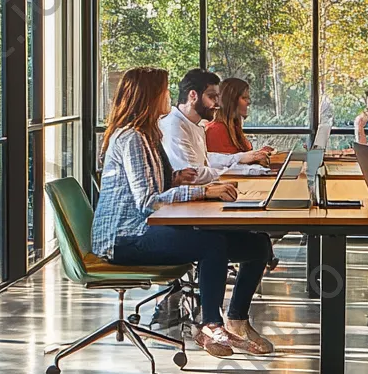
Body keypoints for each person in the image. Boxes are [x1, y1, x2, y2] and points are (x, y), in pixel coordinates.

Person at [92, 67, 275, 359]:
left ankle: (237, 320)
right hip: (126, 236)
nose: (168, 96)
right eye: (163, 91)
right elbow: (147, 201)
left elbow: (153, 185)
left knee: (257, 244)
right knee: (210, 243)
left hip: (147, 226)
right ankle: (210, 325)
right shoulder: (132, 138)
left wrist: (175, 178)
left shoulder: (148, 134)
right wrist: (202, 191)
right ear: (150, 96)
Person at [161, 68, 271, 181]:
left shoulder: (193, 123)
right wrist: (246, 170)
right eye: (212, 97)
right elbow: (193, 174)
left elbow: (204, 159)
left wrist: (240, 158)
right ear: (193, 96)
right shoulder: (174, 126)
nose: (218, 103)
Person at [206, 77, 275, 163]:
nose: (249, 102)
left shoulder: (234, 127)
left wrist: (260, 153)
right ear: (231, 101)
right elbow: (224, 168)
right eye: (244, 98)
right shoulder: (216, 130)